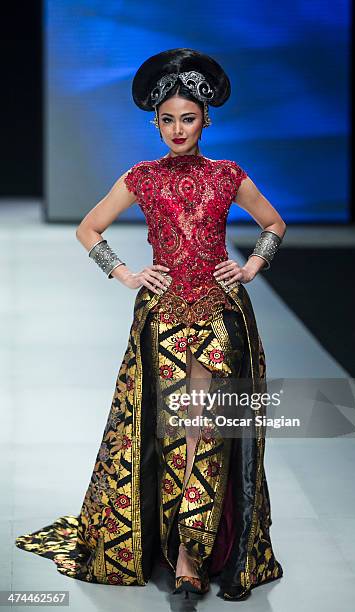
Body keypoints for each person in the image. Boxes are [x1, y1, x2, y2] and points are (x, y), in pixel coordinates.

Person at [15, 48, 286, 601]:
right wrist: (123, 273)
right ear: (155, 123)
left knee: (203, 430)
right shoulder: (142, 177)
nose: (178, 129)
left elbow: (274, 223)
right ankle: (173, 541)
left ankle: (192, 552)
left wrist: (252, 265)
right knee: (163, 431)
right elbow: (88, 228)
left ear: (205, 120)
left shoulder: (228, 175)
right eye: (167, 119)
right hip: (160, 318)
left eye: (188, 118)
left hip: (218, 315)